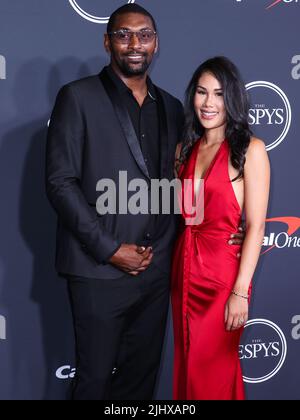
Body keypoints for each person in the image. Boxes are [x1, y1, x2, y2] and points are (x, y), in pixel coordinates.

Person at [46, 4, 244, 400]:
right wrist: (110, 249)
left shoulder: (173, 107)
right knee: (95, 382)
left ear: (156, 44)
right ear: (107, 42)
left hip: (157, 275)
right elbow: (59, 183)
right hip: (96, 272)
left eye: (144, 35)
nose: (134, 44)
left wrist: (223, 226)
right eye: (123, 34)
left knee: (140, 382)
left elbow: (182, 184)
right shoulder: (78, 97)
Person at [171, 57, 270, 400]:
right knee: (186, 367)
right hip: (183, 271)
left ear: (232, 99)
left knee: (213, 370)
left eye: (218, 94)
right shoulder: (184, 150)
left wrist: (240, 291)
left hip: (222, 280)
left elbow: (256, 226)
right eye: (201, 93)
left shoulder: (250, 150)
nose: (208, 103)